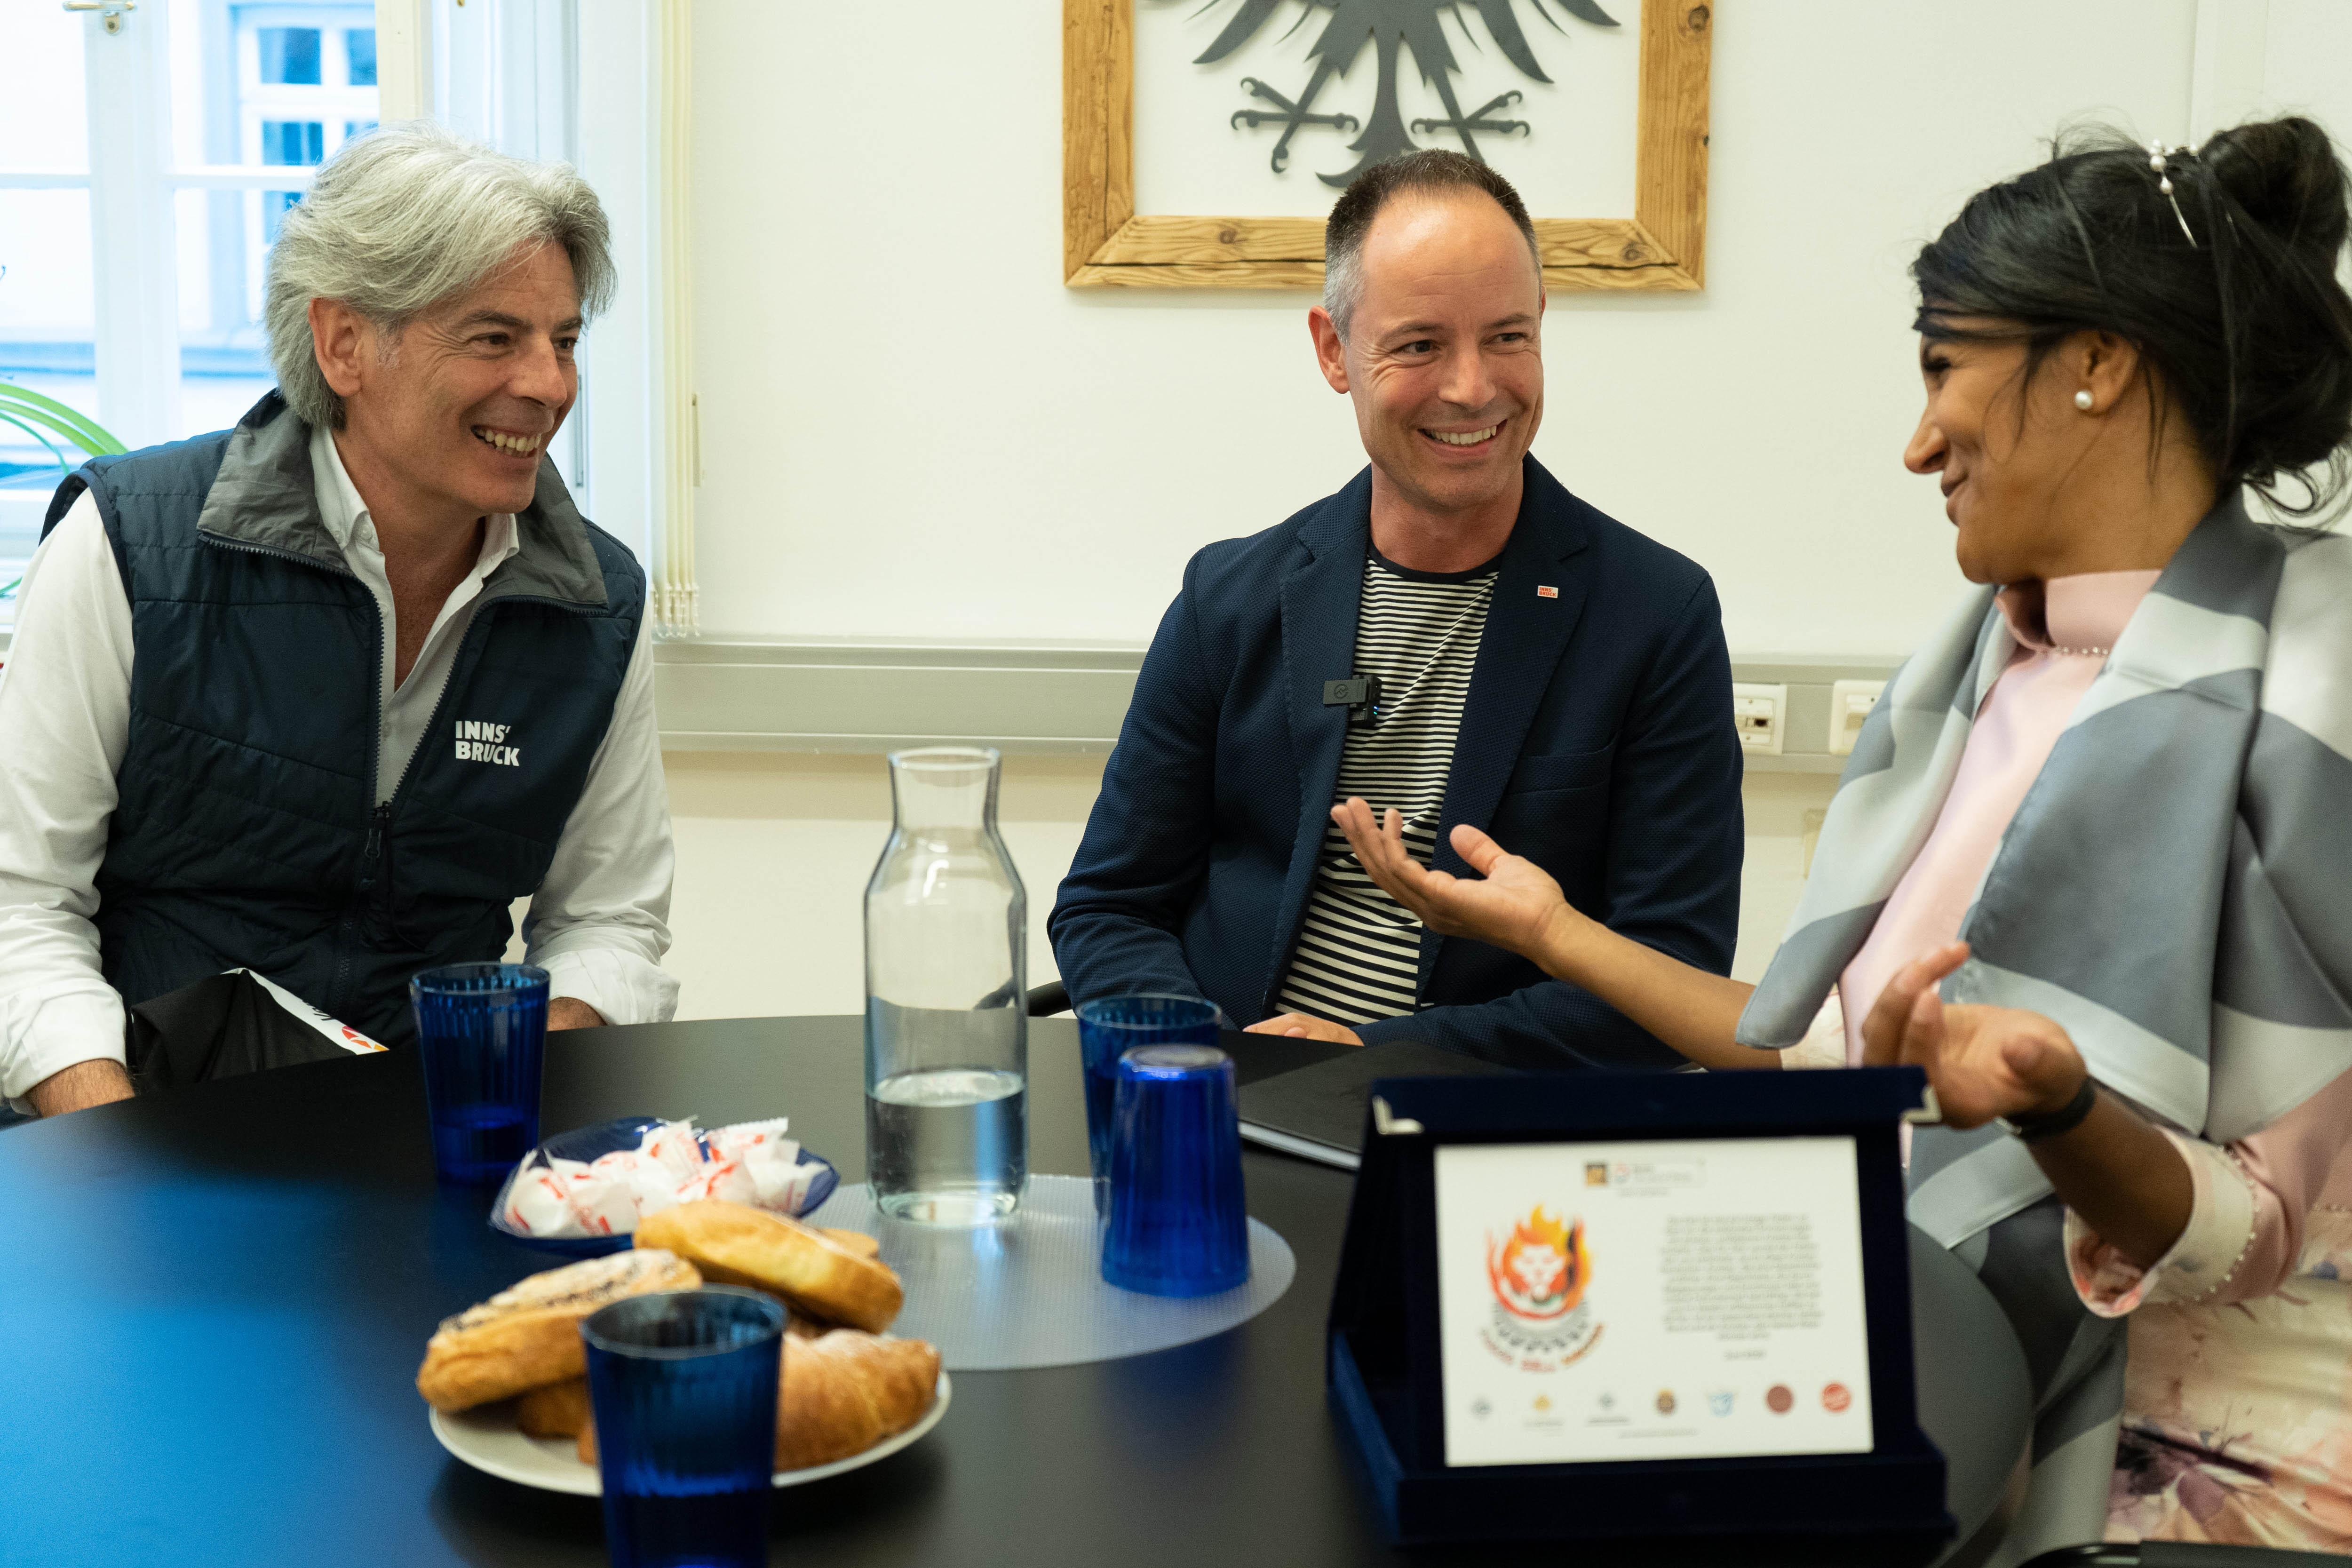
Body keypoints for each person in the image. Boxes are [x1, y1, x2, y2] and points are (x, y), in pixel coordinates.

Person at [1338, 119, 2352, 1555]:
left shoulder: (2319, 694)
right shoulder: (1986, 669)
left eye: (1945, 369)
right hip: (1922, 1332)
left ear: (2096, 365)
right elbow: (1825, 1056)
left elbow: (2242, 1229)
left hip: (2181, 1459)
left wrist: (2059, 1108)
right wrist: (1548, 931)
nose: (1918, 438)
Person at [0, 123, 677, 1118]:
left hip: (433, 1150)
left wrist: (512, 1103)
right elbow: (21, 906)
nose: (549, 384)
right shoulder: (127, 544)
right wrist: (117, 1150)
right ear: (344, 342)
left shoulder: (597, 600)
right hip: (142, 1133)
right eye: (495, 337)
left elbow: (609, 920)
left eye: (564, 340)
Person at [1049, 151, 1744, 1070]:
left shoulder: (1655, 616)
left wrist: (1368, 1051)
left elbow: (1669, 974)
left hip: (1485, 1133)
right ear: (1334, 351)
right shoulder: (1231, 597)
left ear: (1542, 325)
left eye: (1506, 336)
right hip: (1228, 1109)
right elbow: (1109, 906)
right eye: (1419, 344)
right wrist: (1202, 1061)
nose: (1471, 387)